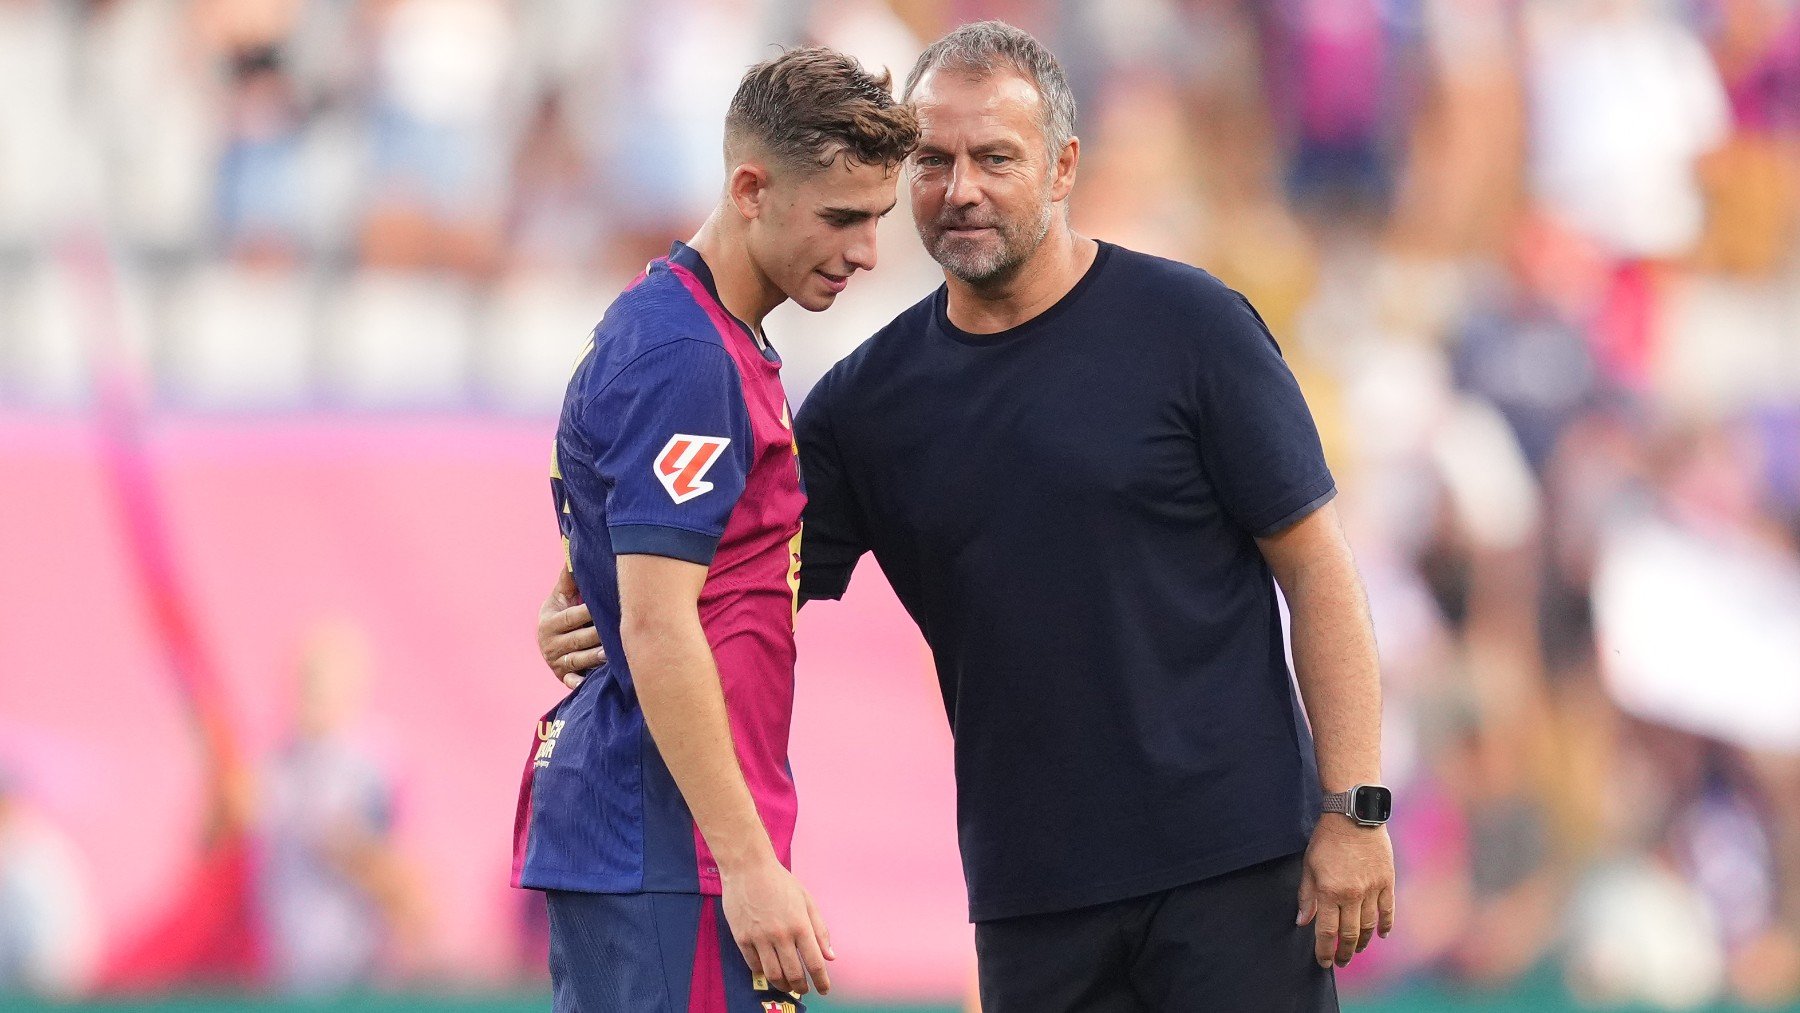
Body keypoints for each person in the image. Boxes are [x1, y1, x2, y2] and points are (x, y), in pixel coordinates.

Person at [540, 22, 1393, 1012]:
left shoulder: (1193, 328)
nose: (962, 188)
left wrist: (1355, 806)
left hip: (1233, 872)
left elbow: (1319, 569)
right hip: (1033, 901)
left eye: (996, 157)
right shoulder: (863, 406)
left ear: (1064, 164)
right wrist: (600, 602)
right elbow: (728, 579)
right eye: (935, 161)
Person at [513, 47, 919, 1013]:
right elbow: (658, 622)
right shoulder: (688, 357)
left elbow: (623, 565)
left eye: (877, 219)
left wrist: (588, 605)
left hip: (667, 834)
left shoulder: (692, 331)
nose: (866, 250)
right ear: (750, 187)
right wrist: (745, 864)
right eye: (842, 217)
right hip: (670, 839)